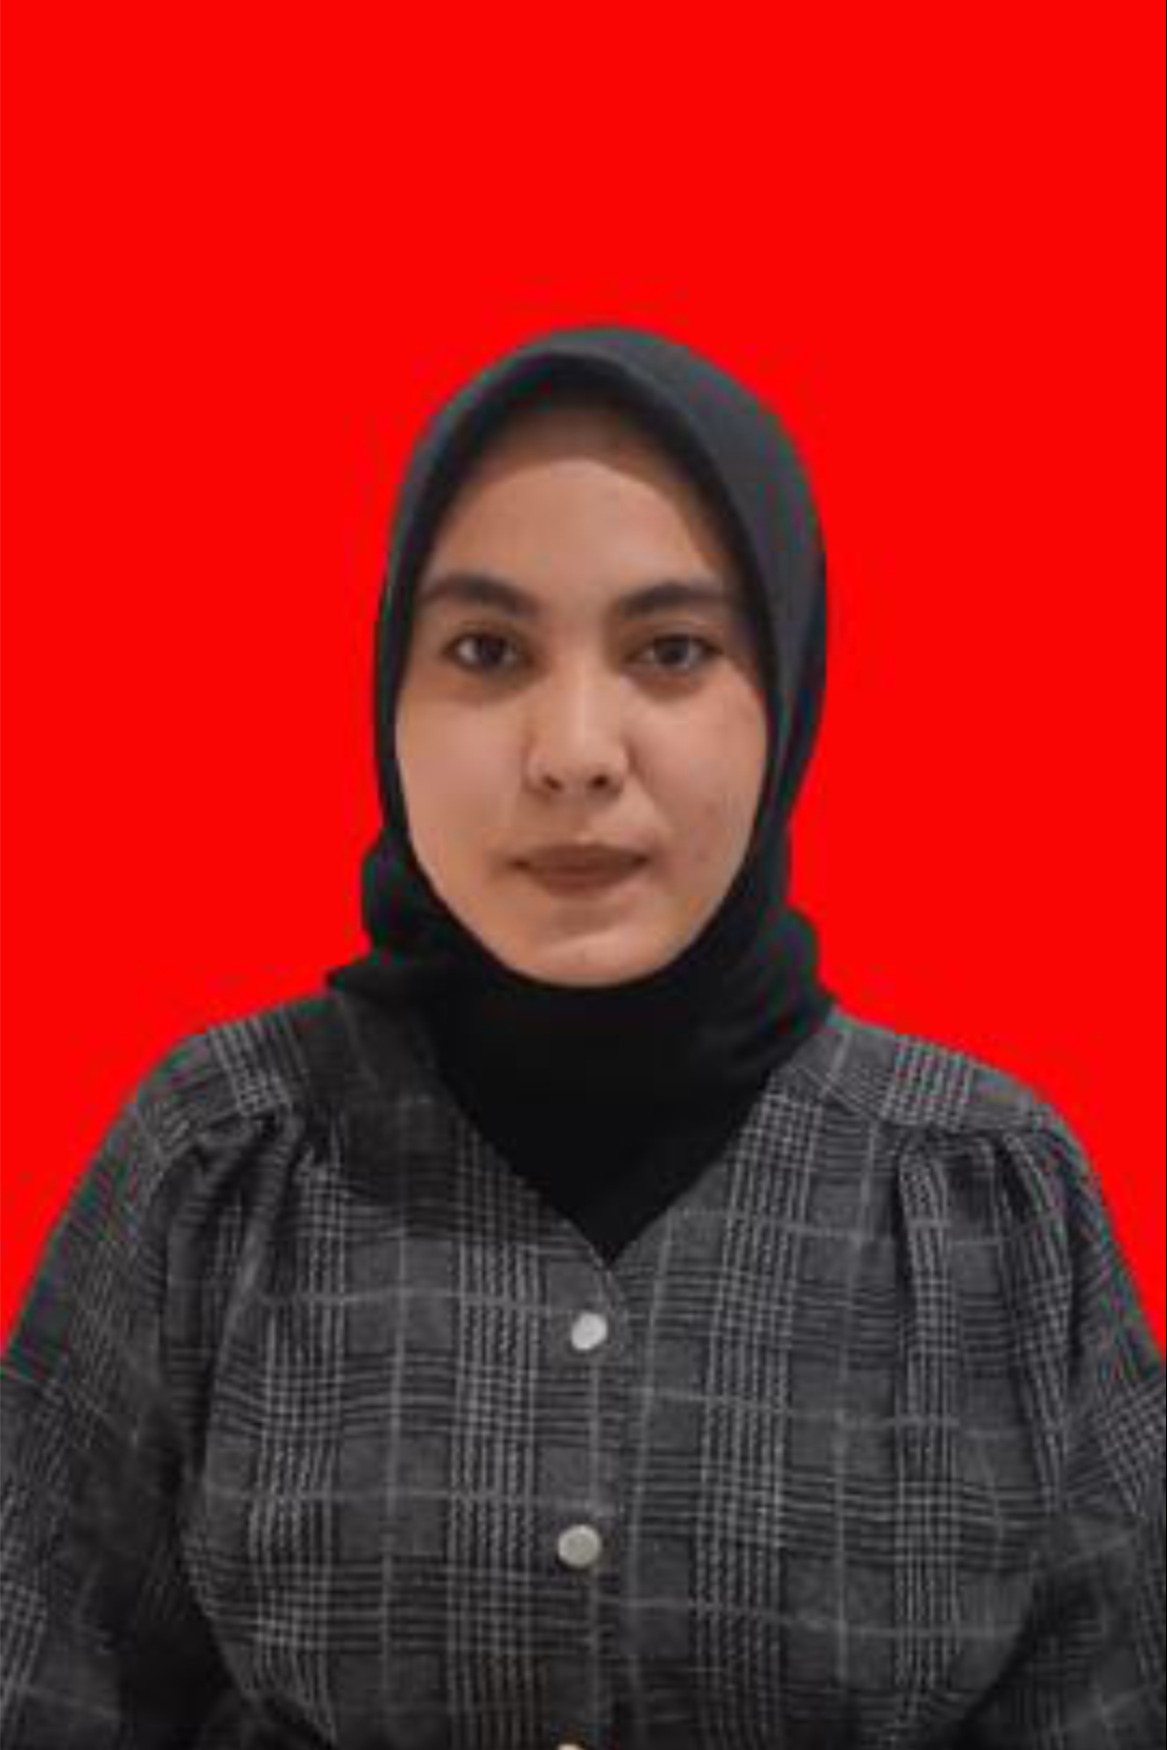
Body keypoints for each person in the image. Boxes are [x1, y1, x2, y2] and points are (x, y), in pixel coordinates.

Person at [1, 323, 1162, 1748]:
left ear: (787, 692)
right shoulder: (223, 1158)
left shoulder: (987, 1198)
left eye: (672, 650)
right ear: (388, 696)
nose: (573, 752)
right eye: (486, 650)